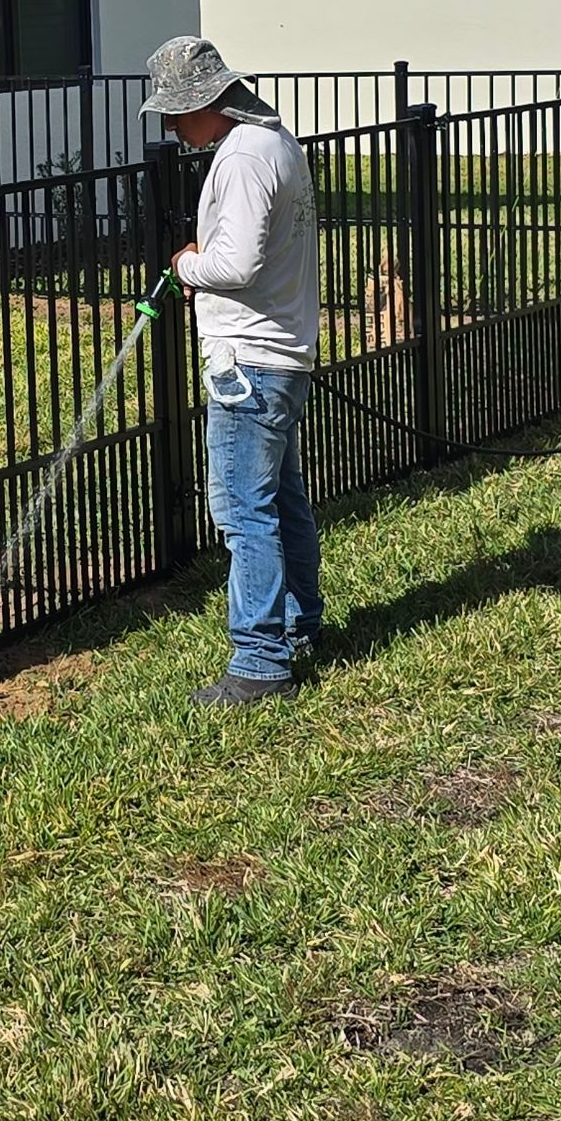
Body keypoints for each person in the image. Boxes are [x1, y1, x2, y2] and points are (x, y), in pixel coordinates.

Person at [141, 36, 324, 708]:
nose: (170, 128)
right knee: (280, 500)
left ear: (208, 102)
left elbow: (239, 266)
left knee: (244, 511)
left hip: (248, 358)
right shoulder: (276, 141)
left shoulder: (244, 158)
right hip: (281, 350)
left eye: (175, 113)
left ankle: (259, 663)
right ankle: (301, 627)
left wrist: (184, 265)